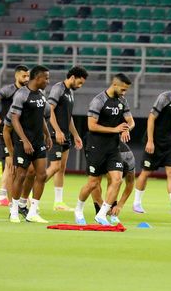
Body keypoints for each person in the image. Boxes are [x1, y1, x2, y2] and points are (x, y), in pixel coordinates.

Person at [72, 74, 135, 226]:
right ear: (114, 85)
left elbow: (131, 121)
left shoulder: (122, 101)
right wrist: (115, 129)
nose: (124, 93)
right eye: (123, 89)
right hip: (96, 146)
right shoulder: (98, 100)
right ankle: (78, 210)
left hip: (113, 147)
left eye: (126, 90)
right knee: (93, 183)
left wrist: (127, 129)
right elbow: (91, 126)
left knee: (117, 179)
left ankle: (101, 214)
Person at [132, 83, 171, 215]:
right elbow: (151, 118)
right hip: (155, 141)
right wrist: (150, 141)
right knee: (146, 172)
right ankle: (136, 203)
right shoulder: (164, 98)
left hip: (169, 143)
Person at [7, 65, 52, 223]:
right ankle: (13, 210)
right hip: (23, 141)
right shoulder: (21, 94)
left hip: (38, 140)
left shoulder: (41, 94)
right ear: (37, 78)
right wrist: (25, 140)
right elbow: (14, 119)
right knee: (21, 175)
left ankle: (32, 211)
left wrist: (47, 135)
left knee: (42, 174)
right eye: (46, 78)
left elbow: (41, 117)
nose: (48, 81)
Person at [44, 66, 88, 211]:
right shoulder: (58, 88)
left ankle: (58, 203)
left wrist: (76, 135)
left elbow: (69, 117)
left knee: (61, 169)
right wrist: (57, 131)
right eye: (79, 83)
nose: (80, 86)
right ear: (73, 77)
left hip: (65, 135)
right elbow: (50, 110)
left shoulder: (70, 93)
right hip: (54, 134)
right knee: (55, 166)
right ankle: (30, 195)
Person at [0, 65, 29, 206]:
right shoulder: (8, 90)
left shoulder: (28, 91)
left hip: (21, 133)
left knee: (20, 167)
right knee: (11, 166)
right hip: (7, 132)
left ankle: (6, 195)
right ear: (16, 76)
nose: (27, 78)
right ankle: (11, 202)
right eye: (24, 76)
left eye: (28, 76)